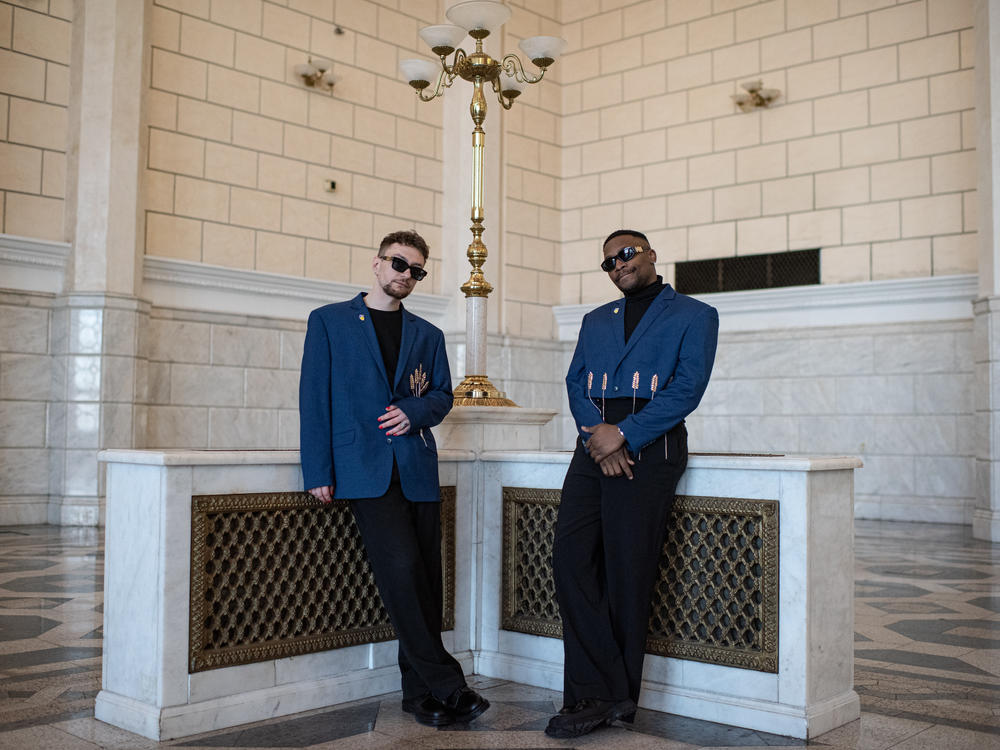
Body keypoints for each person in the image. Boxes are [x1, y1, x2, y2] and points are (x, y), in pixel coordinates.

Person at [299, 230, 489, 727]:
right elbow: (313, 399)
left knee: (425, 579)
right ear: (378, 263)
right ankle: (449, 683)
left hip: (417, 469)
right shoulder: (329, 323)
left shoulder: (427, 334)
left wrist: (413, 411)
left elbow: (444, 396)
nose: (406, 276)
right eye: (400, 265)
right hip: (363, 471)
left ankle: (418, 693)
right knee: (402, 571)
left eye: (416, 271)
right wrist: (317, 470)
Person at [545, 229, 719, 739]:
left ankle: (606, 699)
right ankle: (602, 689)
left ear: (649, 255)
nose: (618, 265)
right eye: (608, 263)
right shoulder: (596, 319)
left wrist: (623, 435)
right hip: (593, 442)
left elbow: (687, 389)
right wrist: (599, 435)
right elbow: (577, 383)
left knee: (628, 570)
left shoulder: (694, 314)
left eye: (626, 254)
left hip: (650, 445)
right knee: (570, 559)